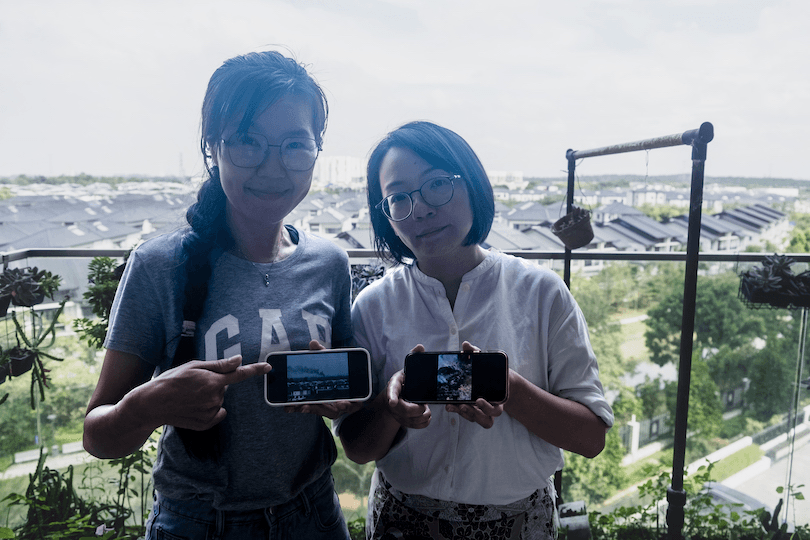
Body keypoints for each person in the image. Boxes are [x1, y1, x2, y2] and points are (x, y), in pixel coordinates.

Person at [83, 51, 357, 540]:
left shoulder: (330, 263)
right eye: (248, 142)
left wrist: (337, 398)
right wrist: (146, 407)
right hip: (198, 521)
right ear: (213, 147)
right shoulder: (159, 265)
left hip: (313, 511)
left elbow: (348, 395)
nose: (274, 168)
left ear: (317, 151)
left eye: (295, 145)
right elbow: (97, 435)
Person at [335, 121, 614, 540]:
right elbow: (358, 449)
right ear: (386, 215)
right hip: (402, 520)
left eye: (437, 185)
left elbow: (591, 437)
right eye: (398, 199)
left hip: (520, 523)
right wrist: (392, 408)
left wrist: (510, 388)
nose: (422, 209)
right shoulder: (374, 306)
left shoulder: (541, 293)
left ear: (473, 184)